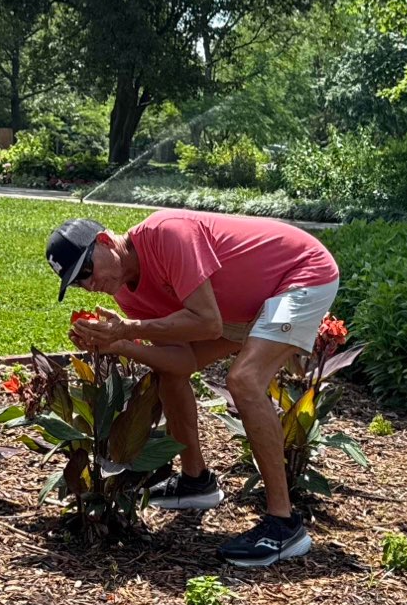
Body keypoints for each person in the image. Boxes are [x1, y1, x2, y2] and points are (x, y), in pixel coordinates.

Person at [45, 209, 339, 567]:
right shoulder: (128, 297)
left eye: (87, 271)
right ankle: (196, 481)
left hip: (301, 275)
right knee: (167, 374)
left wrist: (128, 330)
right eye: (78, 283)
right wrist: (119, 345)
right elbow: (181, 362)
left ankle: (284, 525)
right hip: (242, 306)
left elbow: (206, 321)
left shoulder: (167, 234)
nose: (90, 285)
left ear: (105, 241)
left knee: (245, 381)